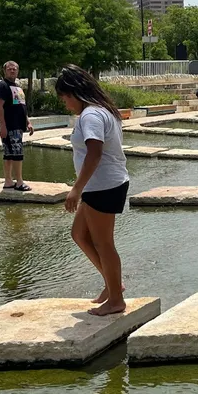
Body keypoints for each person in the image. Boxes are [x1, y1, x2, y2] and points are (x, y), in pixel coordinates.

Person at [56, 65, 130, 317]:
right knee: (79, 233)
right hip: (100, 185)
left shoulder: (91, 115)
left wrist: (75, 189)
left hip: (103, 185)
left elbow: (95, 152)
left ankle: (116, 299)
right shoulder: (100, 110)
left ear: (75, 93)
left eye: (65, 98)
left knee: (104, 243)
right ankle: (113, 286)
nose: (65, 104)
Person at [0, 61, 34, 191]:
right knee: (17, 154)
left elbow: (21, 106)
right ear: (5, 70)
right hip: (10, 126)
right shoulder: (2, 86)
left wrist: (28, 122)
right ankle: (19, 182)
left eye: (15, 69)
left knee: (10, 154)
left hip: (18, 125)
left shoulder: (17, 86)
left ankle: (8, 181)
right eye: (10, 69)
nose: (13, 71)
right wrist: (3, 126)